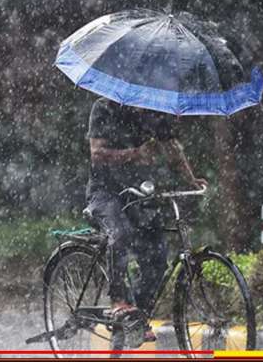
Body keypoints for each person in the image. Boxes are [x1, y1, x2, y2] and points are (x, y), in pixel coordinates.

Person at [86, 97, 207, 342]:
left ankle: (136, 318)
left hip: (139, 193)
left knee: (157, 259)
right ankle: (119, 300)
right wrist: (135, 154)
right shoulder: (104, 108)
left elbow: (173, 149)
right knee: (119, 234)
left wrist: (191, 180)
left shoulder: (154, 111)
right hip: (105, 192)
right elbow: (97, 154)